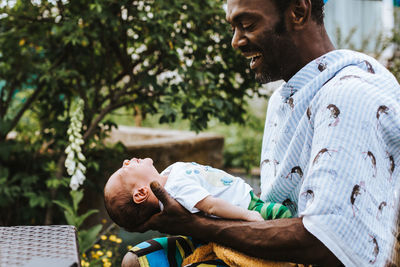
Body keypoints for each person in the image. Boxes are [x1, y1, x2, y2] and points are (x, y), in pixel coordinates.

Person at [122, 0, 400, 266]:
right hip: (276, 245)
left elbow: (325, 241)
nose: (236, 41)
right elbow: (276, 206)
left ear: (299, 11)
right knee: (138, 260)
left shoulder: (351, 94)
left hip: (314, 256)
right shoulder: (283, 98)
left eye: (247, 24)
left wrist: (196, 224)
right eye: (233, 27)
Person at [104, 158, 292, 232]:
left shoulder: (169, 176)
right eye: (124, 169)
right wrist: (248, 215)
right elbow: (210, 205)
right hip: (246, 207)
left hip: (246, 198)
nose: (126, 161)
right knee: (282, 213)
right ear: (141, 193)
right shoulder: (175, 190)